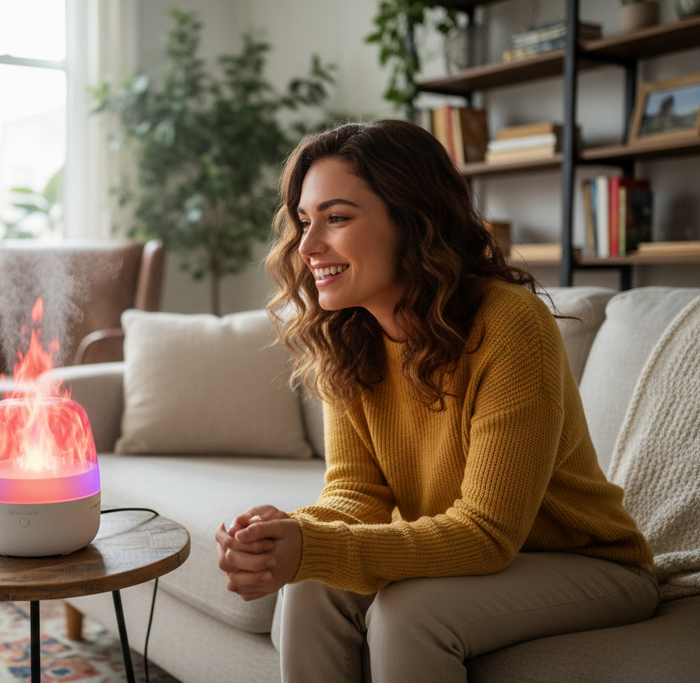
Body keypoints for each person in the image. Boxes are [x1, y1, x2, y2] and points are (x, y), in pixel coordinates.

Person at [214, 120, 658, 683]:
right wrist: (290, 535)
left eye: (337, 218)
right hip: (492, 555)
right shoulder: (351, 336)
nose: (307, 246)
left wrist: (315, 544)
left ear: (411, 219)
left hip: (591, 564)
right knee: (311, 585)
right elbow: (356, 492)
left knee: (408, 614)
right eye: (304, 221)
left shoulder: (511, 327)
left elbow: (487, 534)